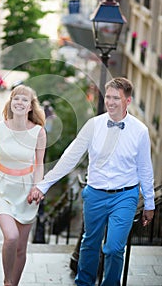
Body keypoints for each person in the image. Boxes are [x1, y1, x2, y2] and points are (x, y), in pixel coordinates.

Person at [28, 77, 155, 286]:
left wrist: (149, 203)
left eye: (117, 98)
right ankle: (83, 283)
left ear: (128, 101)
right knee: (90, 244)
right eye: (109, 97)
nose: (111, 102)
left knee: (114, 248)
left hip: (125, 195)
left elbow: (145, 169)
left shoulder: (140, 131)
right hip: (95, 193)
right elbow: (70, 156)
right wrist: (44, 184)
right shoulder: (93, 125)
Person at [0, 85, 46, 286]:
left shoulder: (39, 132)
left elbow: (39, 165)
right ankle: (7, 282)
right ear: (11, 102)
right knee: (11, 237)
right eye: (16, 98)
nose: (20, 103)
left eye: (25, 100)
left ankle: (14, 284)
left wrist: (37, 188)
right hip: (2, 189)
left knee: (21, 248)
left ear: (31, 106)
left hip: (26, 193)